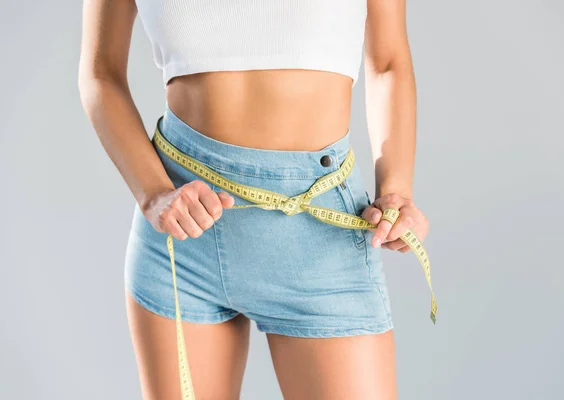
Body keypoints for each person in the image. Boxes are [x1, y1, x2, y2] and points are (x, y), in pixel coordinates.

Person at [78, 0, 430, 398]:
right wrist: (154, 194)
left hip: (320, 238)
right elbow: (100, 74)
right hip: (183, 231)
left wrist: (396, 189)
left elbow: (388, 62)